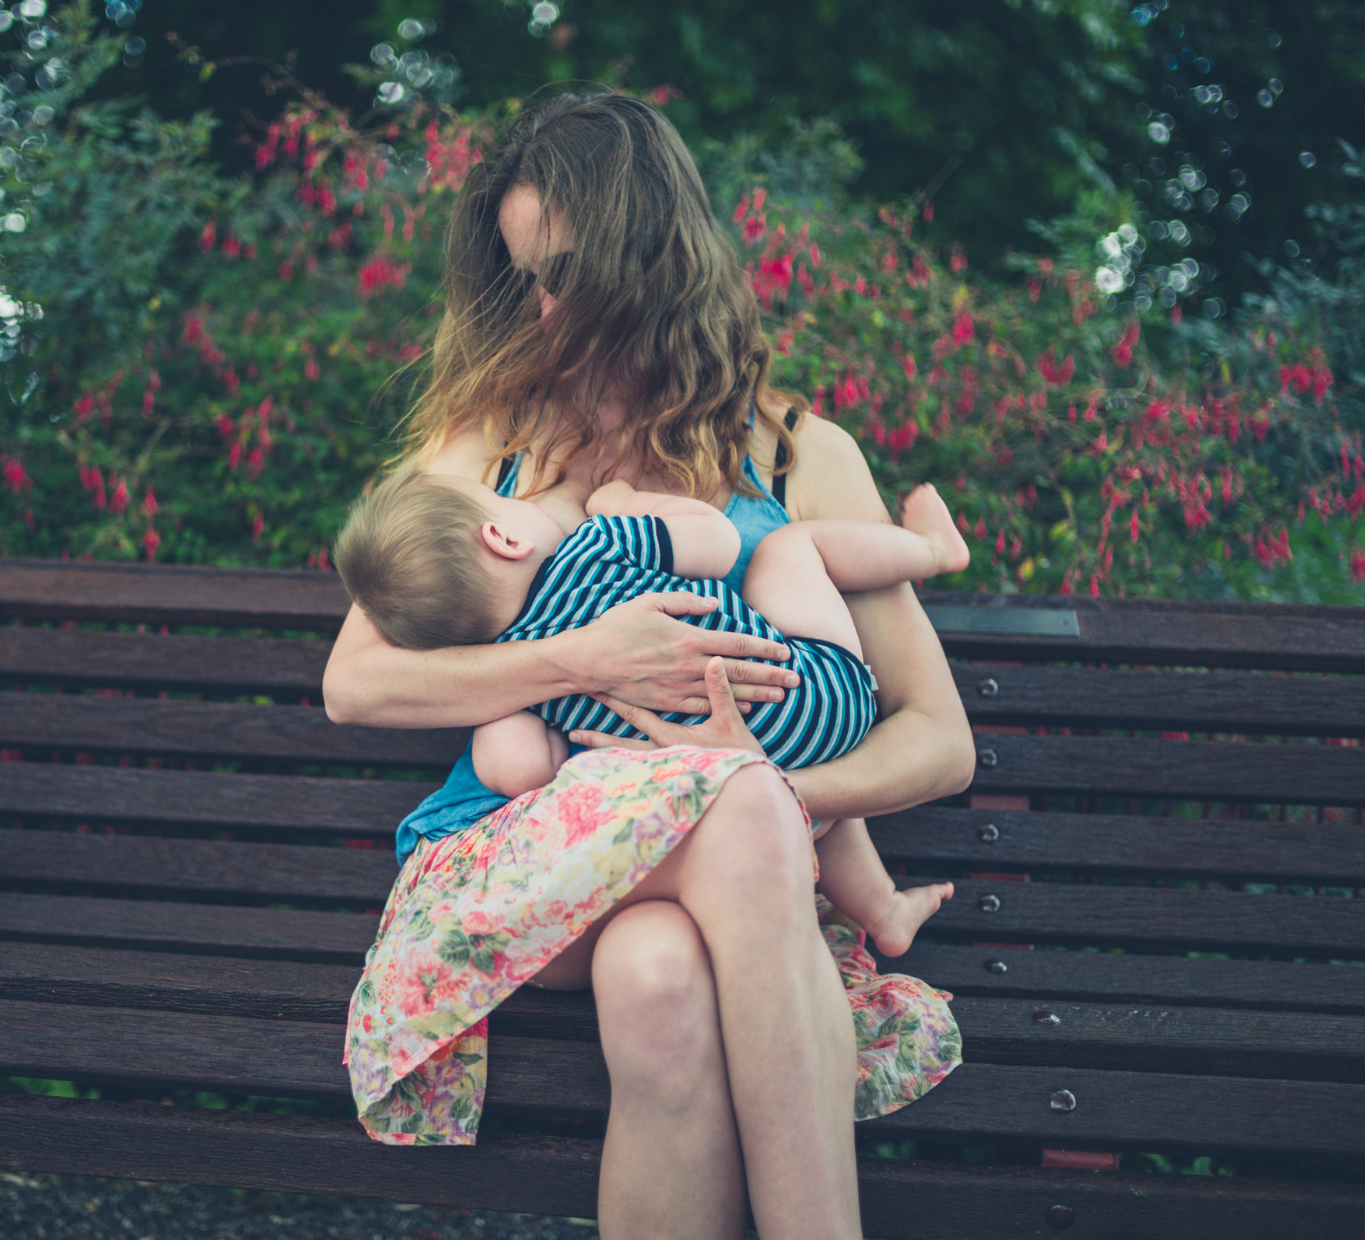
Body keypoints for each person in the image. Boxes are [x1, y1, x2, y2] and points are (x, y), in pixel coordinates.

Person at [325, 91, 975, 1240]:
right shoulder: (498, 439)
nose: (539, 306)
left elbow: (934, 737)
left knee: (660, 978)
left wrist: (748, 789)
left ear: (649, 253)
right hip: (519, 872)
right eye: (523, 275)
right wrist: (581, 658)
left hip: (699, 886)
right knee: (732, 820)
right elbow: (356, 682)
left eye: (563, 269)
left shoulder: (798, 455)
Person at [333, 466, 965, 956]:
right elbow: (716, 542)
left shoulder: (512, 677)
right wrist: (625, 502)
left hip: (729, 780)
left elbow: (520, 769)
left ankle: (884, 913)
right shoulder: (594, 543)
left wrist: (524, 709)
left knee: (775, 773)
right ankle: (934, 552)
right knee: (789, 548)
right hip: (821, 693)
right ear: (503, 536)